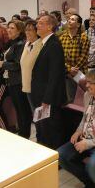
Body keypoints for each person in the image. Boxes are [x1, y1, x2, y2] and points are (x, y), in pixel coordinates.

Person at [30, 15, 66, 149]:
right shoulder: (45, 43)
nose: (37, 26)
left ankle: (55, 157)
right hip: (42, 93)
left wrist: (47, 98)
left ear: (50, 26)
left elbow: (55, 75)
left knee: (52, 128)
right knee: (43, 127)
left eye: (40, 23)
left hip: (49, 96)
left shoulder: (54, 44)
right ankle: (45, 152)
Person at [0, 20, 32, 138]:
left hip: (18, 81)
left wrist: (3, 64)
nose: (9, 30)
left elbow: (18, 65)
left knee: (23, 110)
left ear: (19, 30)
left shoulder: (21, 44)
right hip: (12, 80)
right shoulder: (13, 43)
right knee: (18, 109)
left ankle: (25, 134)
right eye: (8, 28)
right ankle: (22, 133)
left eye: (12, 28)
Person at [20, 20, 44, 134]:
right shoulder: (27, 44)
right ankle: (39, 135)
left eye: (30, 30)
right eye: (26, 30)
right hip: (26, 85)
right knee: (34, 115)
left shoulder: (40, 44)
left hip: (36, 87)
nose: (27, 32)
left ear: (37, 31)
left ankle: (42, 137)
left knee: (39, 116)